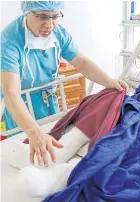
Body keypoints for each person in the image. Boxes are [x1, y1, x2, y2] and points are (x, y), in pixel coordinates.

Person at [1, 1, 128, 167]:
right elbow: (11, 92)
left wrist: (108, 81)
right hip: (22, 110)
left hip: (49, 105)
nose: (50, 24)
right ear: (27, 11)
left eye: (55, 16)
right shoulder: (9, 42)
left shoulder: (58, 33)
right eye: (43, 17)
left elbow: (81, 62)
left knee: (56, 147)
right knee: (26, 157)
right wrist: (33, 132)